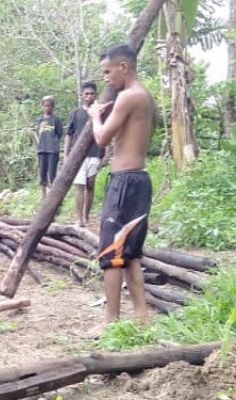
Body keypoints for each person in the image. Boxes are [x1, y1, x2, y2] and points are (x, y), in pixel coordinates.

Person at [88, 44, 157, 333]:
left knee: (112, 252)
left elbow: (103, 139)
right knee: (131, 252)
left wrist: (94, 115)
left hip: (125, 183)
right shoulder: (147, 98)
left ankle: (110, 321)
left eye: (107, 71)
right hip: (139, 180)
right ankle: (142, 315)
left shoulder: (129, 97)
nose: (105, 78)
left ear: (124, 67)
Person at [65, 82, 108, 227]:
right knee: (79, 186)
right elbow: (69, 135)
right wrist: (66, 154)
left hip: (96, 153)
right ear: (82, 95)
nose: (89, 96)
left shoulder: (101, 113)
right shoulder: (76, 113)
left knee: (90, 184)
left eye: (91, 94)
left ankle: (87, 215)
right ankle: (80, 219)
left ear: (96, 95)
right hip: (78, 155)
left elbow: (107, 133)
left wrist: (106, 153)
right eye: (86, 94)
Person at [34, 96, 64, 197]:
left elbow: (59, 133)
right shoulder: (39, 120)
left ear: (53, 107)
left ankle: (53, 196)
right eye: (45, 106)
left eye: (49, 106)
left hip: (52, 150)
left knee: (52, 174)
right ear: (42, 107)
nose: (47, 108)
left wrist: (53, 143)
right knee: (42, 174)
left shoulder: (56, 119)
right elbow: (38, 133)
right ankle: (43, 197)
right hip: (42, 150)